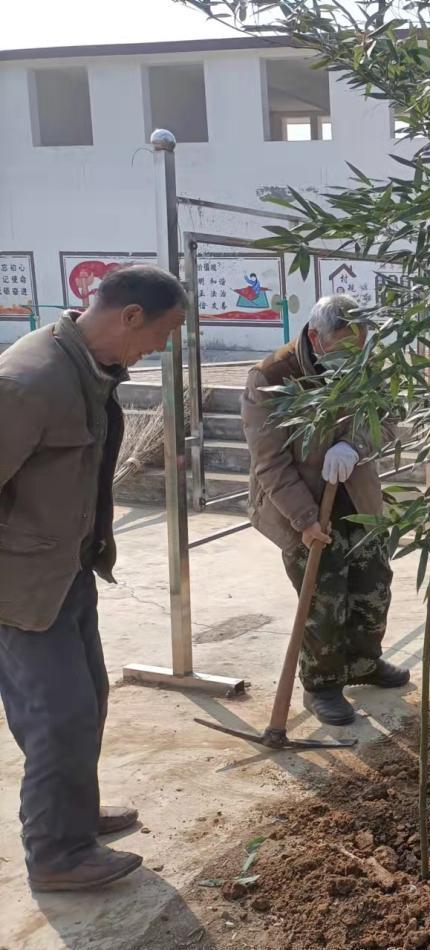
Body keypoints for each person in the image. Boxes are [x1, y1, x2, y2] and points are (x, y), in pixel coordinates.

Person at [0, 265, 188, 891]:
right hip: (24, 587)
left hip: (68, 568)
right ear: (129, 316)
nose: (158, 349)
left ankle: (72, 816)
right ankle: (56, 853)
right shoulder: (31, 380)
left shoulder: (86, 371)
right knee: (59, 714)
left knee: (88, 700)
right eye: (160, 335)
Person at [242, 294, 408, 726]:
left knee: (374, 586)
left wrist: (354, 444)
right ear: (315, 337)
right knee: (323, 599)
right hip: (301, 503)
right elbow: (270, 461)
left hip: (357, 498)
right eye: (344, 348)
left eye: (360, 348)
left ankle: (364, 663)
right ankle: (322, 686)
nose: (354, 358)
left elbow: (388, 419)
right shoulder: (273, 377)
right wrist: (304, 519)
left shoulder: (365, 366)